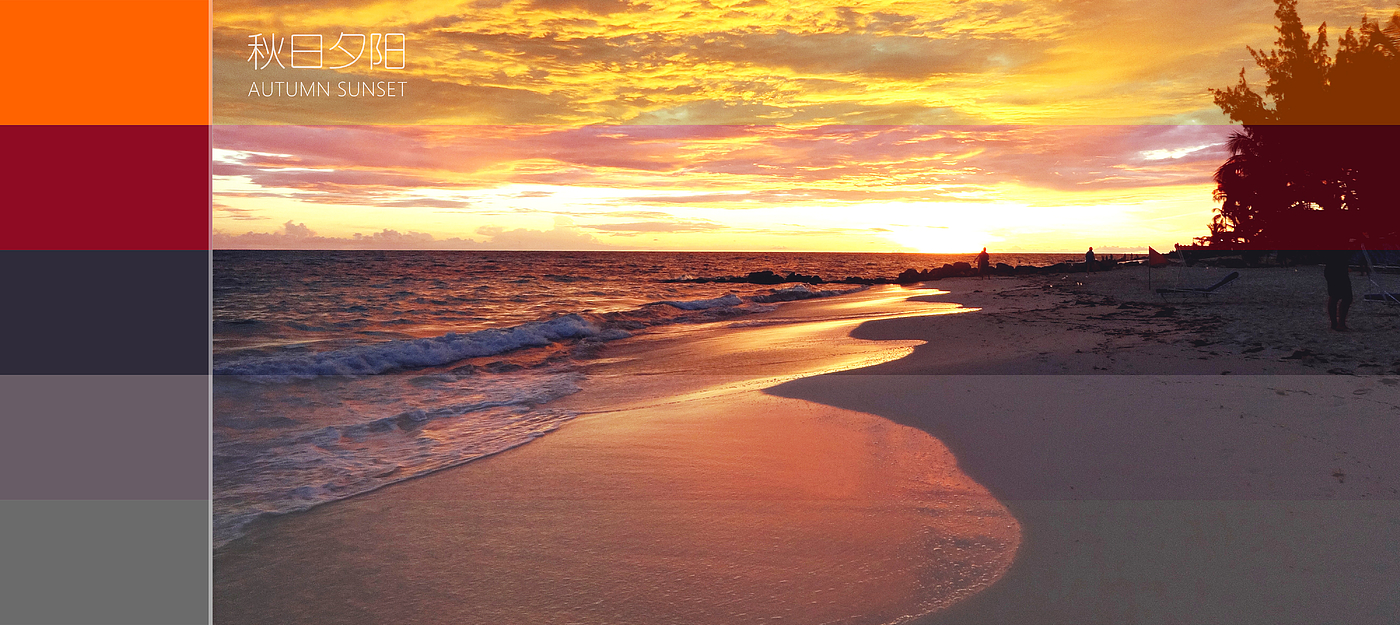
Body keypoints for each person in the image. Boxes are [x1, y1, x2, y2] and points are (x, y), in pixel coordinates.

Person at [1324, 249, 1353, 331]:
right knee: (1346, 297)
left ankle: (1335, 323)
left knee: (1335, 296)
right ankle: (1340, 324)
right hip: (1337, 269)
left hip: (1334, 268)